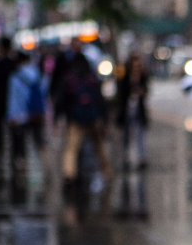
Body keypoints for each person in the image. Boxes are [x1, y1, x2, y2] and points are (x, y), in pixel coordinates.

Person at [58, 52, 113, 210]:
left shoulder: (70, 78)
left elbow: (62, 99)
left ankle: (69, 174)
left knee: (71, 149)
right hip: (93, 118)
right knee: (99, 147)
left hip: (76, 119)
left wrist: (60, 118)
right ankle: (107, 172)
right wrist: (105, 119)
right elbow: (100, 100)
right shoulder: (92, 77)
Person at [6, 51, 47, 205]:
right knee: (39, 141)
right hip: (37, 114)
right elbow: (44, 92)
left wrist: (13, 116)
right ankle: (44, 167)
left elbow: (14, 98)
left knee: (21, 143)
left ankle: (23, 168)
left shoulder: (15, 77)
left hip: (20, 115)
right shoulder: (38, 73)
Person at [115, 53, 150, 218]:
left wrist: (141, 91)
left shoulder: (143, 76)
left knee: (140, 135)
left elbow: (147, 90)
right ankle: (125, 158)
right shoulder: (124, 76)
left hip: (139, 111)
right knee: (127, 136)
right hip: (127, 110)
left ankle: (141, 158)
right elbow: (120, 91)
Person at [0, 37, 16, 171]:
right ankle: (13, 158)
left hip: (0, 103)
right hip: (12, 104)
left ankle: (1, 156)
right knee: (12, 133)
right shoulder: (14, 64)